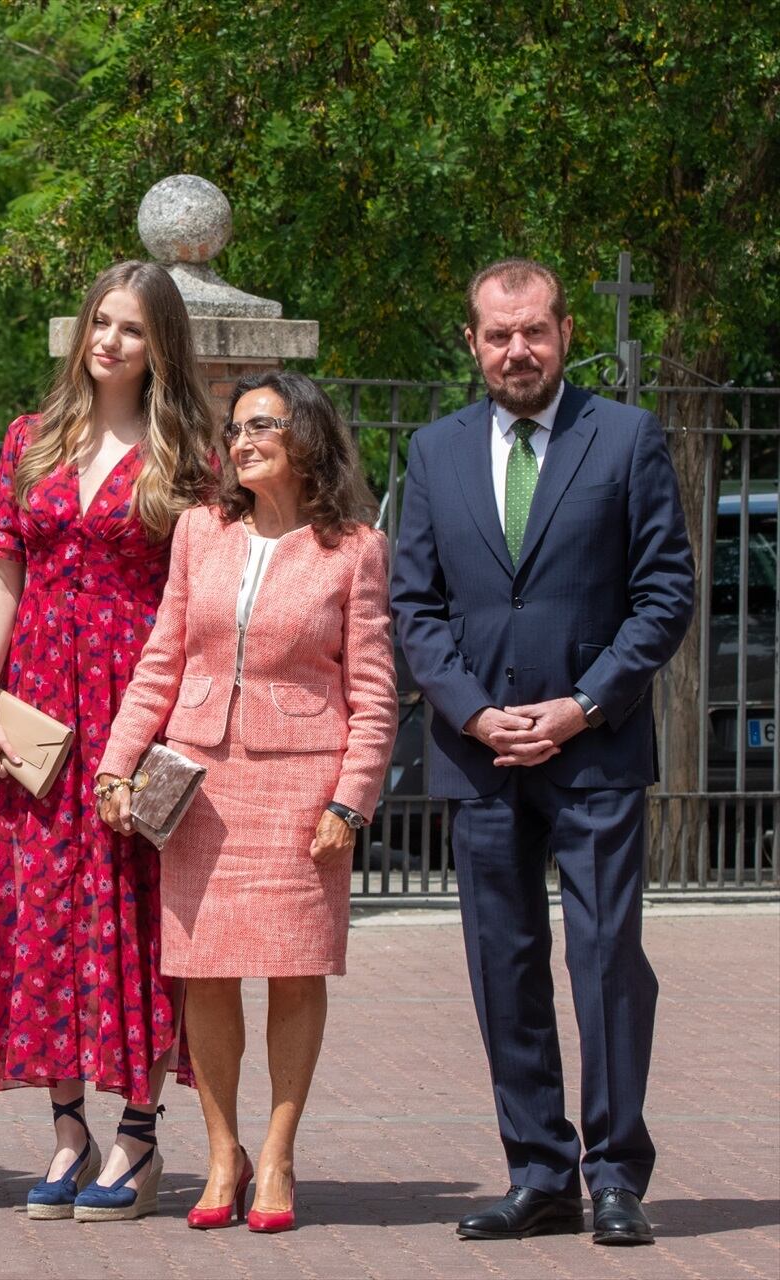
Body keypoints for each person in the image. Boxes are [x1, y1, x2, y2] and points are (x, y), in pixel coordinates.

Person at [390, 259, 694, 1247]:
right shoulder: (433, 452)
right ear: (472, 341)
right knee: (504, 965)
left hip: (594, 751)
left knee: (606, 961)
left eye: (533, 331)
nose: (516, 349)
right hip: (480, 759)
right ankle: (538, 1171)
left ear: (565, 331)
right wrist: (476, 713)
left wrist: (582, 703)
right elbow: (415, 605)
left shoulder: (627, 438)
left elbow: (664, 593)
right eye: (497, 333)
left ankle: (613, 1174)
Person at [97, 371, 396, 1234]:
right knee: (204, 972)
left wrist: (352, 800)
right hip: (199, 787)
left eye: (262, 424)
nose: (242, 440)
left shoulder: (356, 549)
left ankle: (278, 1151)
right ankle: (221, 1149)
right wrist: (117, 767)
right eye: (236, 429)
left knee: (297, 970)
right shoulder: (200, 531)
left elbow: (374, 692)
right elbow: (161, 660)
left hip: (304, 789)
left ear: (307, 435)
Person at [0, 259, 215, 1221]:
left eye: (133, 329)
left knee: (135, 916)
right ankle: (68, 1129)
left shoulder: (189, 449)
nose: (109, 340)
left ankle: (138, 1134)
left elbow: (194, 598)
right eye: (101, 322)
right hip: (36, 708)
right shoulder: (32, 439)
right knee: (42, 913)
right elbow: (1, 578)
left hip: (133, 702)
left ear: (161, 347)